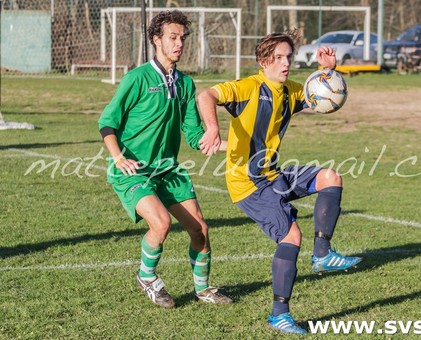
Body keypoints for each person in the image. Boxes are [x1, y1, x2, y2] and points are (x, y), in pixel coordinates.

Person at [197, 31, 362, 334]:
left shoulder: (289, 91)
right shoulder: (249, 87)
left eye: (289, 57)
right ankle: (279, 315)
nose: (286, 63)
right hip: (248, 183)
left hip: (274, 175)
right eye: (280, 58)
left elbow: (322, 99)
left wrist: (328, 72)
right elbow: (205, 95)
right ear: (264, 61)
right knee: (292, 236)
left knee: (330, 177)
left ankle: (323, 254)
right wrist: (212, 128)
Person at [98, 10, 231, 308]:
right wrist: (118, 157)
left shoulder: (185, 85)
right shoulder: (137, 78)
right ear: (156, 40)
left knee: (200, 229)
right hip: (133, 170)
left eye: (182, 38)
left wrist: (237, 145)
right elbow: (107, 123)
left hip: (168, 170)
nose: (179, 43)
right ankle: (147, 277)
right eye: (172, 37)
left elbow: (196, 137)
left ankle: (203, 288)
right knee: (160, 223)